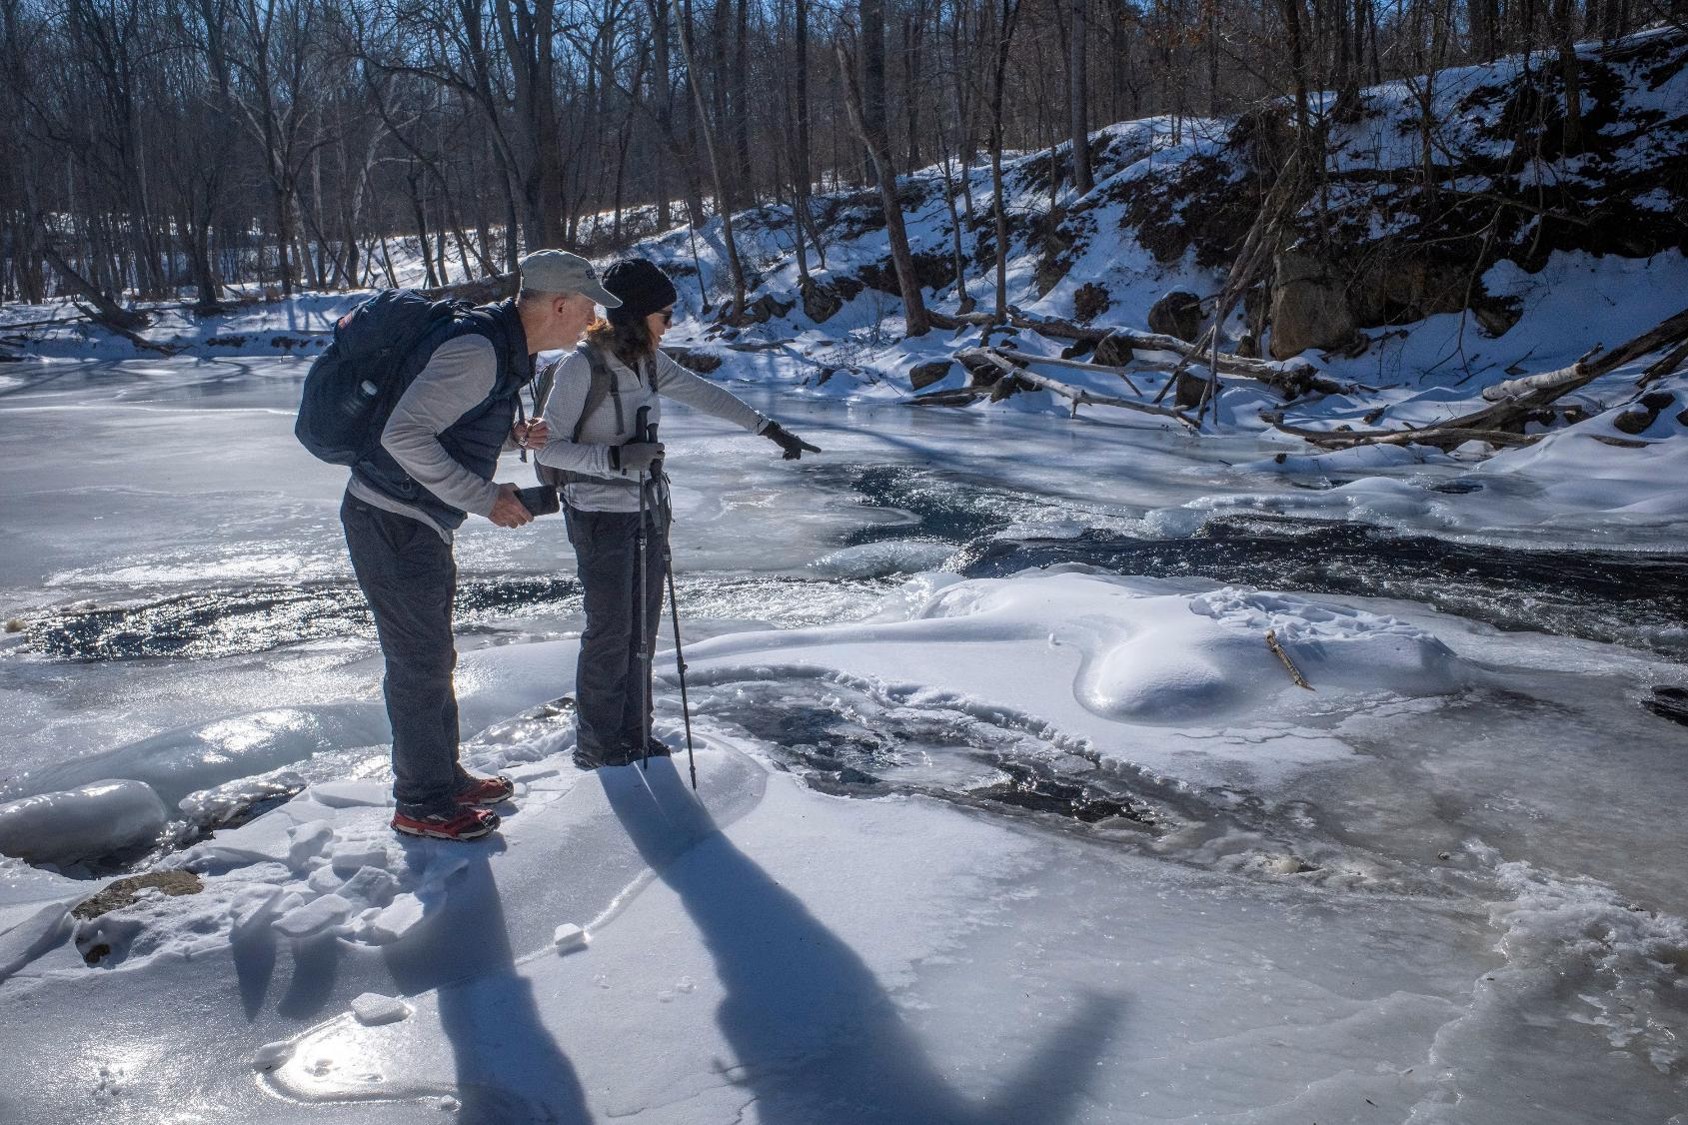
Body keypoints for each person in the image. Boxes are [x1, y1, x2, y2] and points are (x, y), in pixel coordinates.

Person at [343, 250, 622, 840]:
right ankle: (421, 803)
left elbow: (449, 426)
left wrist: (509, 436)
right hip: (390, 520)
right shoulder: (479, 351)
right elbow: (403, 437)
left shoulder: (502, 345)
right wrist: (486, 497)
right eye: (588, 308)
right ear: (559, 305)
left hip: (412, 520)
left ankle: (442, 778)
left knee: (433, 657)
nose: (593, 320)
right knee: (419, 664)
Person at [536, 258, 820, 769]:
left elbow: (706, 394)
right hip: (598, 515)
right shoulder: (582, 367)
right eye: (665, 315)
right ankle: (598, 745)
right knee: (610, 632)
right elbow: (548, 448)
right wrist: (615, 459)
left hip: (647, 510)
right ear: (636, 314)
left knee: (643, 631)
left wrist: (770, 429)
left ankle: (635, 734)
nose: (670, 324)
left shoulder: (648, 361)